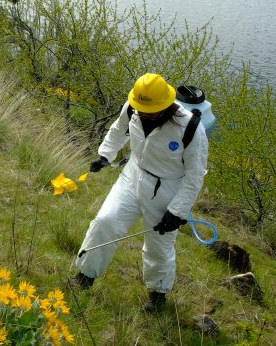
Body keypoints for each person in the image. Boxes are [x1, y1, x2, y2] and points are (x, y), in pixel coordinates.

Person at [71, 73, 209, 312]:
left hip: (166, 190)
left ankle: (157, 295)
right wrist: (105, 155)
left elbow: (195, 175)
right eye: (141, 108)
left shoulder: (190, 128)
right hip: (131, 176)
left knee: (159, 245)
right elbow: (118, 130)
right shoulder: (133, 107)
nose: (143, 113)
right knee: (105, 222)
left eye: (150, 109)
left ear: (166, 104)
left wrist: (177, 211)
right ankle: (85, 275)